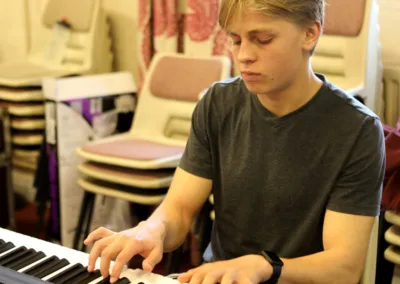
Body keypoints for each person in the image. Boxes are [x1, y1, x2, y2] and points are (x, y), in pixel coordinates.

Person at [84, 0, 386, 283]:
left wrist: (264, 265)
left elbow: (345, 266)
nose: (243, 56)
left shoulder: (357, 130)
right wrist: (152, 229)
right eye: (236, 40)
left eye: (263, 39)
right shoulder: (218, 102)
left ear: (309, 33)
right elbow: (178, 208)